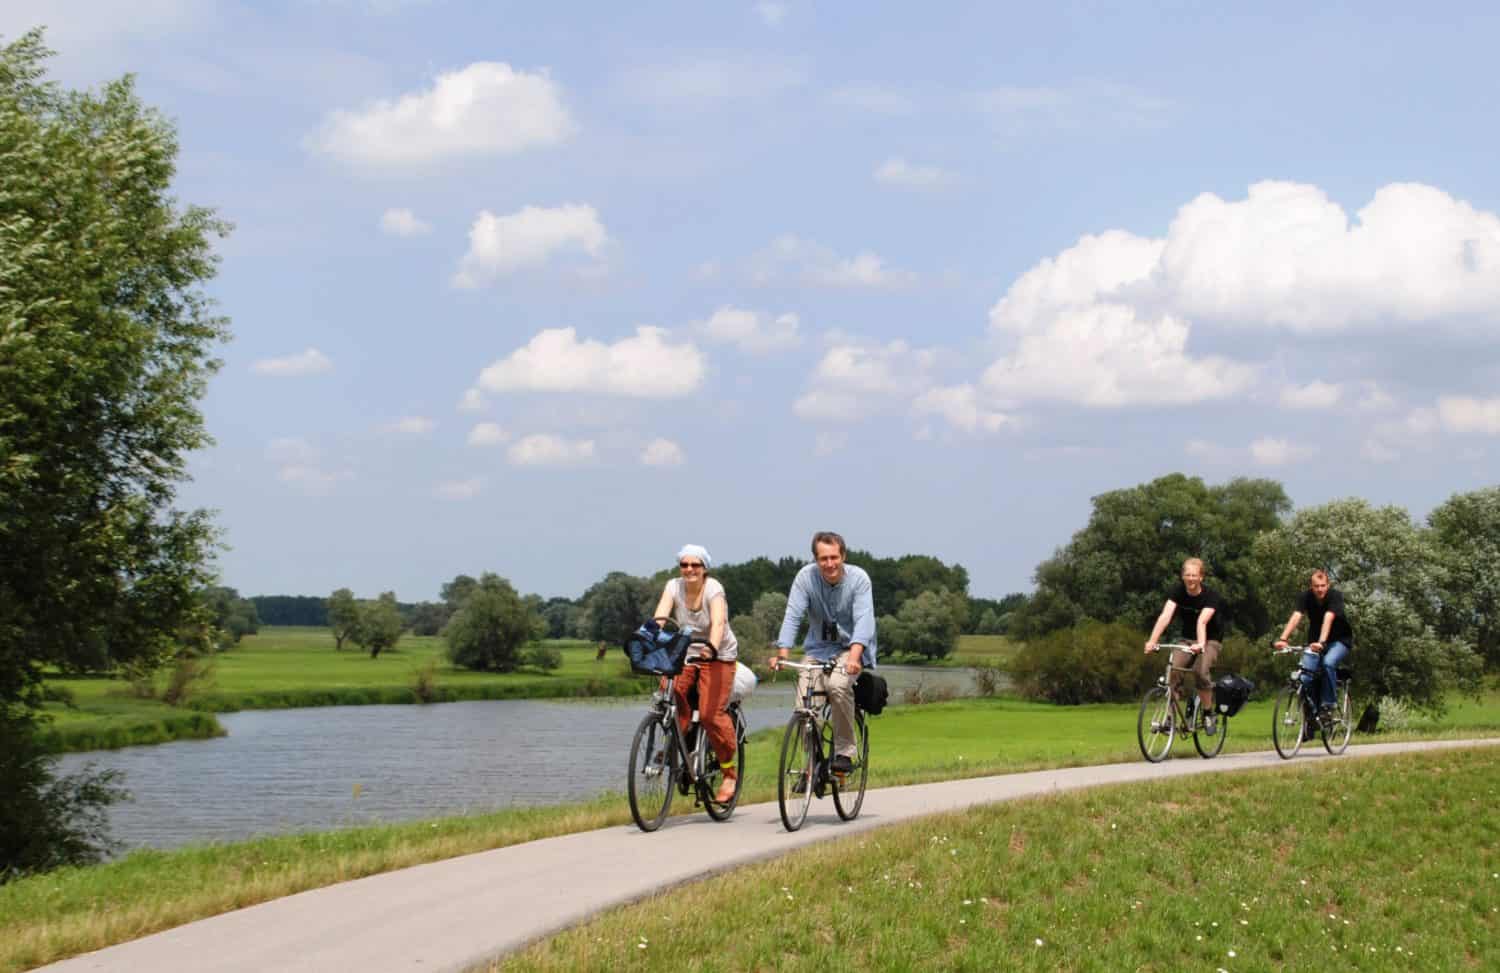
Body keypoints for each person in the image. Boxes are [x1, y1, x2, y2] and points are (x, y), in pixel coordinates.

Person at [768, 531, 877, 775]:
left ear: (843, 556)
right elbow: (793, 614)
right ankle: (811, 763)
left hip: (850, 648)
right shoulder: (805, 578)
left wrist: (855, 657)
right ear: (816, 560)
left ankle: (845, 752)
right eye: (823, 559)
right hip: (818, 648)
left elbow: (864, 621)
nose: (829, 564)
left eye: (834, 557)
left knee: (837, 685)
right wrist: (783, 653)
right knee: (803, 706)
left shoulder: (859, 579)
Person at [651, 543, 739, 803]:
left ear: (704, 568)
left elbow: (719, 622)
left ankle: (728, 773)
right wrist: (647, 639)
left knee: (711, 714)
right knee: (671, 693)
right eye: (684, 565)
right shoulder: (673, 586)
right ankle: (680, 747)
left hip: (718, 652)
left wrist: (712, 646)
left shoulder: (713, 589)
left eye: (695, 565)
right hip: (687, 650)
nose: (689, 569)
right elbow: (660, 618)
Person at [1144, 557, 1224, 735]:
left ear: (1201, 577)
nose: (1190, 578)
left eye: (1194, 575)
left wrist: (1201, 644)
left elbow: (1202, 622)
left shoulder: (1211, 596)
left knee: (1200, 671)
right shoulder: (1178, 592)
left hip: (1210, 639)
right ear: (1182, 576)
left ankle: (1208, 712)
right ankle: (1170, 719)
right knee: (1173, 671)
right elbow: (1165, 616)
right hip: (1186, 639)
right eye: (1187, 574)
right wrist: (1152, 641)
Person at [1274, 569, 1354, 723]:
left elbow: (1328, 618)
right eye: (1316, 586)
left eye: (1323, 586)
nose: (1320, 589)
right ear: (1311, 586)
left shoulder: (1335, 596)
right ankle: (1311, 718)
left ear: (1328, 585)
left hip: (1339, 641)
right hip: (1315, 642)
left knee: (1328, 663)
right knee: (1305, 676)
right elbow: (1297, 615)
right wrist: (1283, 638)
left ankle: (1328, 705)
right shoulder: (1305, 597)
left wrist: (1322, 642)